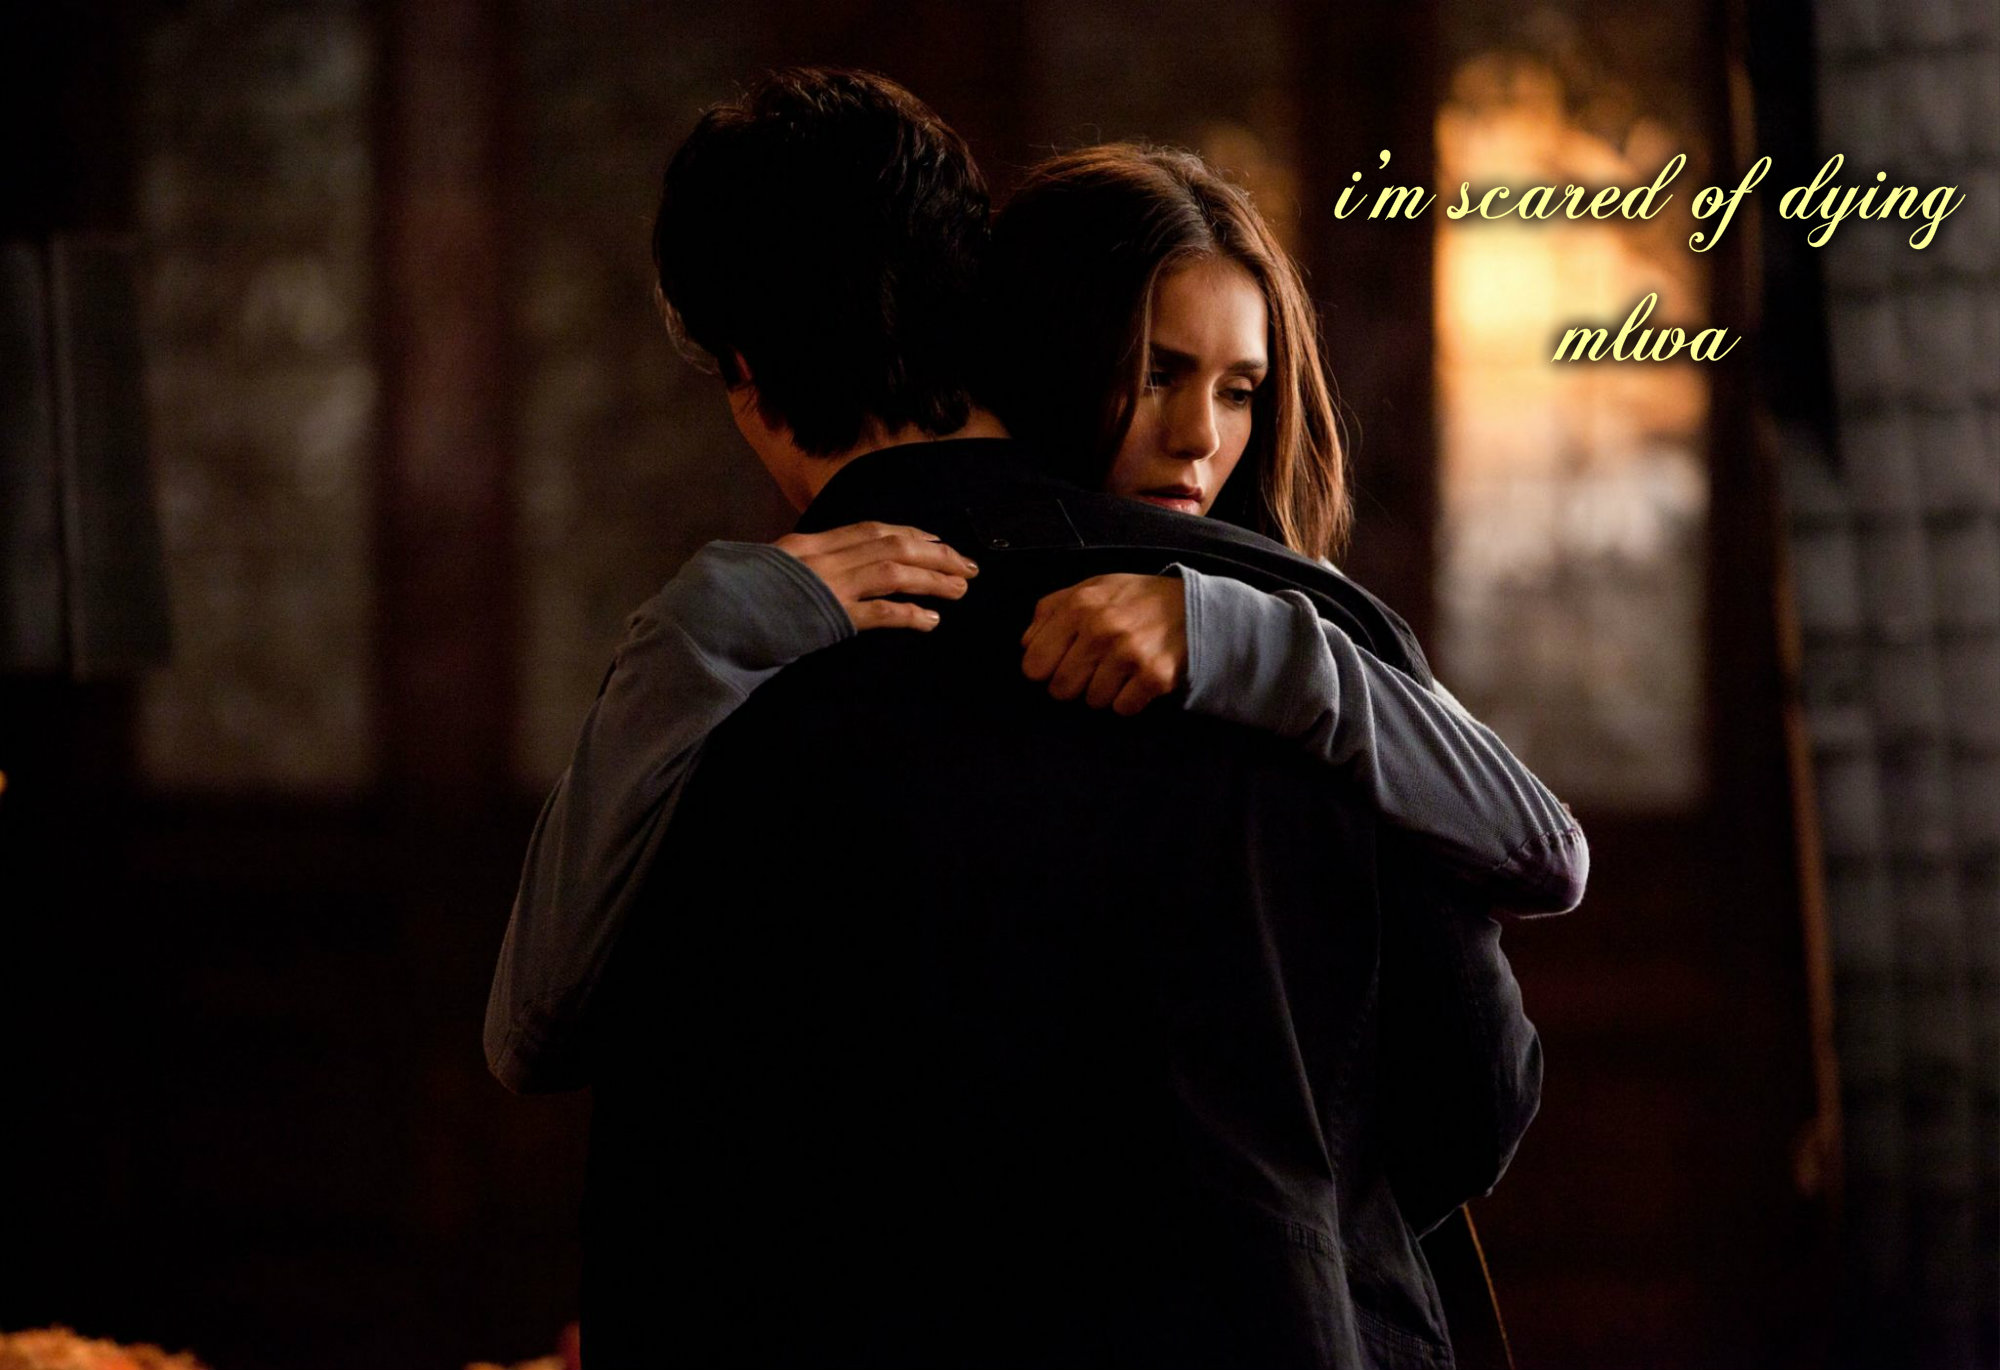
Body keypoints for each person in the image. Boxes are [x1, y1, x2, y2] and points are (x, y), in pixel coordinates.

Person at [486, 68, 1581, 1368]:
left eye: (1235, 388)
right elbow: (1477, 1088)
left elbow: (625, 1128)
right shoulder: (1300, 639)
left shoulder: (727, 690)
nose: (1200, 434)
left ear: (744, 379)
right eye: (1164, 375)